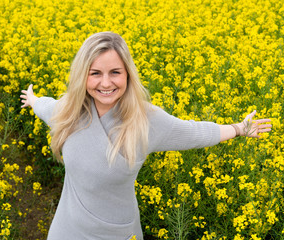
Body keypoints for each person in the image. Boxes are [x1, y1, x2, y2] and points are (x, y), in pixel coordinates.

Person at [20, 32, 272, 240]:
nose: (105, 83)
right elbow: (46, 107)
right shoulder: (69, 110)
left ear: (128, 73)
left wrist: (239, 128)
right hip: (68, 230)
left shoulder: (146, 119)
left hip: (117, 232)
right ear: (82, 75)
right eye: (95, 73)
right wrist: (32, 100)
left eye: (115, 72)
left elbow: (194, 132)